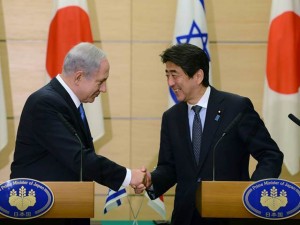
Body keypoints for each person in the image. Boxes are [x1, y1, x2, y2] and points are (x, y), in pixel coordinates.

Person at [135, 43, 284, 225]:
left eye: (175, 75)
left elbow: (270, 155)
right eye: (167, 75)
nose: (170, 83)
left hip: (230, 215)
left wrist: (253, 193)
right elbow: (169, 167)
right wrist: (151, 180)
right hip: (186, 217)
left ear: (198, 76)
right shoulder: (171, 117)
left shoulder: (236, 108)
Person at [9, 42, 146, 225]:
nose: (104, 89)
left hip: (66, 209)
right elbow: (78, 157)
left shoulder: (66, 103)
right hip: (41, 214)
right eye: (101, 81)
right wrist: (129, 176)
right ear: (79, 77)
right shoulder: (45, 103)